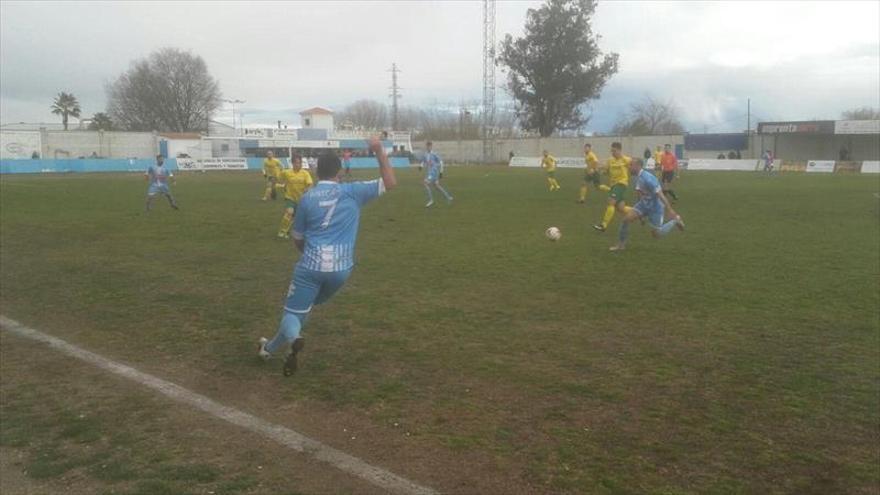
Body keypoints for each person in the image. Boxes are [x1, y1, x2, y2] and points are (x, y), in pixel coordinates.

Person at [258, 138, 397, 376]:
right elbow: (390, 182)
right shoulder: (353, 192)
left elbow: (298, 238)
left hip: (311, 267)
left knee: (292, 314)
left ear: (315, 170)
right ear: (339, 170)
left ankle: (294, 339)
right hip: (342, 271)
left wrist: (308, 257)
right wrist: (378, 151)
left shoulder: (307, 199)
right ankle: (269, 348)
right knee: (304, 309)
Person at [609, 158, 684, 251]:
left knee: (657, 234)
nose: (629, 167)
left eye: (631, 165)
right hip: (643, 205)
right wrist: (640, 215)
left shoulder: (648, 179)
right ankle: (621, 245)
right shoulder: (637, 177)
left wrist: (670, 210)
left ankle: (676, 220)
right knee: (625, 220)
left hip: (655, 208)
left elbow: (661, 195)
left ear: (638, 166)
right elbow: (639, 193)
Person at [593, 142, 631, 232]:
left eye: (614, 151)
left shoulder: (626, 160)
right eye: (612, 151)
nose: (613, 153)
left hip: (621, 184)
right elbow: (606, 171)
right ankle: (640, 212)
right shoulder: (610, 160)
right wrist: (600, 170)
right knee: (621, 208)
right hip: (613, 185)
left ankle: (603, 225)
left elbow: (634, 168)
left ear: (620, 150)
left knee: (611, 202)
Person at [276, 154, 314, 239]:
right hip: (290, 198)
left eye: (300, 163)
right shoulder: (287, 172)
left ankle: (293, 231)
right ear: (292, 163)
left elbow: (310, 184)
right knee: (289, 212)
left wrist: (308, 189)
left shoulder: (305, 173)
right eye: (296, 163)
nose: (298, 165)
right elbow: (279, 177)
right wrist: (282, 184)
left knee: (298, 218)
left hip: (302, 200)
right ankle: (282, 231)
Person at [421, 141, 453, 207]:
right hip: (430, 172)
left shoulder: (434, 154)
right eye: (427, 146)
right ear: (426, 147)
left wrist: (441, 172)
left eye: (429, 146)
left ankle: (431, 200)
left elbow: (441, 162)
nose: (428, 147)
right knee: (437, 186)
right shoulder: (425, 154)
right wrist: (420, 166)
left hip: (433, 172)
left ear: (431, 146)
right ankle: (448, 197)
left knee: (425, 183)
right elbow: (423, 161)